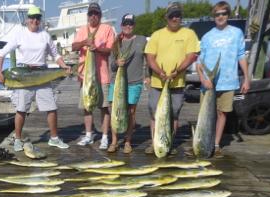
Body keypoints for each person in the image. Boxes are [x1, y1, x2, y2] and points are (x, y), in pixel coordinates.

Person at [0, 6, 71, 152]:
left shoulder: (45, 35)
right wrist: (0, 73)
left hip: (42, 74)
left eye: (37, 17)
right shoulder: (20, 35)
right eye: (32, 17)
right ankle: (18, 140)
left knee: (51, 108)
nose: (35, 20)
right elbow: (1, 54)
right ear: (27, 19)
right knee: (21, 109)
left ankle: (54, 138)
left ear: (40, 19)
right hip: (24, 76)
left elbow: (55, 55)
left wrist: (64, 66)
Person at [144, 2, 199, 154]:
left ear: (181, 17)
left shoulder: (189, 34)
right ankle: (155, 144)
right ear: (166, 17)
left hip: (177, 82)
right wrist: (159, 72)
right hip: (158, 83)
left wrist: (178, 71)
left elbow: (191, 56)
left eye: (178, 16)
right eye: (172, 16)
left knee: (173, 115)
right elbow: (150, 57)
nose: (175, 18)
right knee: (155, 114)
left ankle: (169, 144)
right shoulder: (157, 35)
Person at [197, 1, 250, 157]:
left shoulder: (237, 33)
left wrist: (246, 78)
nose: (220, 17)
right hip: (208, 83)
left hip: (228, 82)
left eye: (223, 14)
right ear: (213, 16)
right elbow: (199, 61)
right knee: (206, 114)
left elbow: (241, 55)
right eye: (217, 14)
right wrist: (203, 79)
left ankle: (216, 144)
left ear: (228, 15)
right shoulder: (207, 36)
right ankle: (203, 141)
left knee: (222, 113)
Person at [71, 2, 115, 150]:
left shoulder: (107, 29)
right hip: (85, 77)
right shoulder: (82, 30)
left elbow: (110, 49)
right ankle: (89, 135)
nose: (93, 16)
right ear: (88, 15)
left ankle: (104, 137)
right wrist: (85, 42)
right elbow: (74, 47)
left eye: (96, 13)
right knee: (87, 107)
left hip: (102, 76)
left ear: (100, 15)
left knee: (104, 107)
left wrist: (97, 49)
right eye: (91, 14)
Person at [107, 13, 149, 154]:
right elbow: (112, 66)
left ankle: (127, 141)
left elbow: (148, 59)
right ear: (121, 25)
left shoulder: (142, 40)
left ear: (134, 25)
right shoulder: (116, 42)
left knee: (131, 112)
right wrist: (117, 63)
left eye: (130, 23)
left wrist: (148, 75)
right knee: (114, 111)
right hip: (117, 82)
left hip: (134, 82)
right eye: (125, 23)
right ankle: (114, 141)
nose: (128, 26)